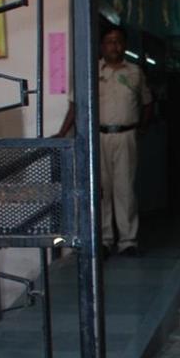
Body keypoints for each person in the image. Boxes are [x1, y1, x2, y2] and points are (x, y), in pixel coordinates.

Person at [58, 26, 152, 256]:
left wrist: (142, 128)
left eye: (118, 41)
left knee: (125, 189)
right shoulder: (91, 71)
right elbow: (75, 105)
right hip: (97, 137)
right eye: (109, 41)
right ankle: (106, 239)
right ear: (102, 46)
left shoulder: (134, 72)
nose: (114, 46)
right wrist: (62, 133)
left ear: (125, 45)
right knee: (100, 190)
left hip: (126, 136)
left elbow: (148, 102)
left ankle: (128, 240)